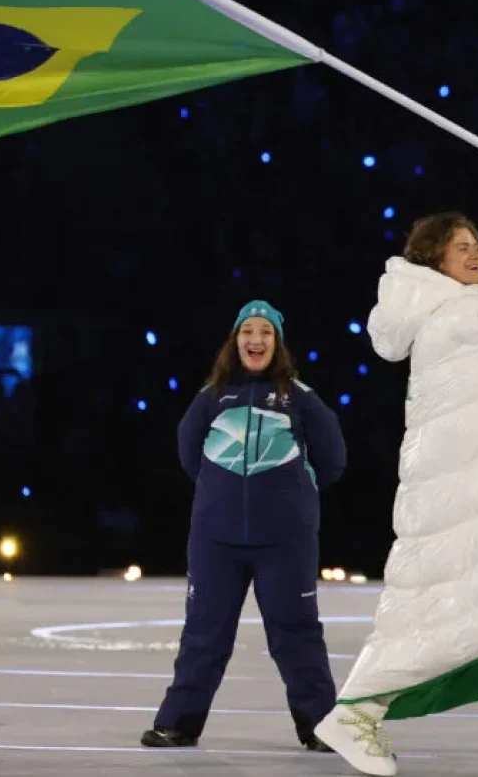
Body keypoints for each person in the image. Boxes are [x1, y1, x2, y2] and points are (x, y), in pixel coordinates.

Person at [314, 203, 478, 777]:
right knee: (436, 622)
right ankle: (355, 715)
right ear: (433, 262)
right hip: (467, 508)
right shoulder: (459, 321)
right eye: (461, 247)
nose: (477, 254)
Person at [141, 300, 348, 752]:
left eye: (265, 332)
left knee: (296, 633)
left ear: (278, 342)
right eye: (248, 332)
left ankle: (321, 726)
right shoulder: (210, 398)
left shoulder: (301, 398)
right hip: (216, 540)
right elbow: (189, 453)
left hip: (285, 542)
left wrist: (294, 492)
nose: (256, 340)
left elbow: (333, 459)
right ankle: (178, 724)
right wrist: (223, 493)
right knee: (204, 633)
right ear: (235, 341)